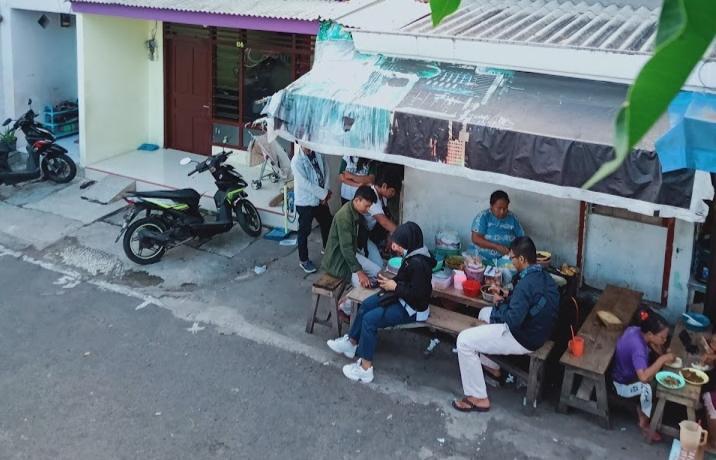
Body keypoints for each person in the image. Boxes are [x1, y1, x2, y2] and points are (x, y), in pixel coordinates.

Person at [452, 236, 558, 413]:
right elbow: (529, 302)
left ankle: (478, 397)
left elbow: (512, 320)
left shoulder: (526, 284)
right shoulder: (542, 276)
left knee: (464, 341)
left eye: (513, 258)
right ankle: (492, 367)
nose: (511, 261)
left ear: (522, 259)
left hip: (525, 337)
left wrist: (499, 305)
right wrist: (506, 295)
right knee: (483, 313)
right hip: (540, 330)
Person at [326, 222, 436, 383]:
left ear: (408, 242)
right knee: (367, 304)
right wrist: (386, 283)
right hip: (402, 298)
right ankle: (352, 342)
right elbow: (404, 280)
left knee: (371, 320)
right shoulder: (412, 255)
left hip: (414, 309)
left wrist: (395, 287)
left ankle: (365, 369)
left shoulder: (419, 264)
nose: (394, 247)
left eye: (397, 244)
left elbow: (418, 295)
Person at [612, 310, 674, 442]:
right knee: (650, 386)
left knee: (654, 367)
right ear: (650, 334)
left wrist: (661, 349)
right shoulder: (638, 349)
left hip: (621, 369)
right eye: (662, 338)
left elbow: (652, 344)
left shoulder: (636, 330)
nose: (664, 340)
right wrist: (662, 359)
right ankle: (643, 422)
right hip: (622, 384)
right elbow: (643, 377)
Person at [321, 186, 381, 289]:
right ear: (357, 200)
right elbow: (346, 249)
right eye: (366, 206)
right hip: (337, 261)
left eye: (369, 207)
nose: (368, 210)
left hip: (351, 254)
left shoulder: (355, 210)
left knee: (377, 272)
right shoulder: (344, 217)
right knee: (363, 286)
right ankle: (346, 304)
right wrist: (360, 272)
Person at [291, 145, 333, 274]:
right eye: (306, 147)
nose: (309, 150)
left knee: (327, 223)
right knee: (304, 231)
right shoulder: (296, 160)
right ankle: (303, 260)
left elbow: (326, 171)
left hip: (321, 198)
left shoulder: (318, 152)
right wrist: (322, 194)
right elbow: (304, 184)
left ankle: (327, 249)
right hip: (306, 201)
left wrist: (325, 192)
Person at [471, 190, 525, 263]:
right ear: (491, 206)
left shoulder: (512, 218)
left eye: (505, 208)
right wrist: (496, 246)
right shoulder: (483, 217)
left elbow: (522, 239)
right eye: (499, 208)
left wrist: (513, 251)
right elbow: (475, 238)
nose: (502, 211)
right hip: (483, 258)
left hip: (506, 259)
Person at [358, 173, 400, 264]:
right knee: (378, 264)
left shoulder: (383, 197)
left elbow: (388, 218)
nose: (393, 195)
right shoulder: (371, 196)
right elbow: (384, 221)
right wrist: (403, 234)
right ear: (384, 186)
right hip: (361, 235)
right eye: (392, 191)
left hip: (373, 231)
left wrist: (391, 235)